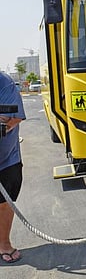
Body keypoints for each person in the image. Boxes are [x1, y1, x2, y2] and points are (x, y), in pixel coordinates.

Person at [0, 72, 26, 263]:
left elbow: (12, 118)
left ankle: (3, 244)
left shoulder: (4, 83)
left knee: (4, 202)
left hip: (6, 159)